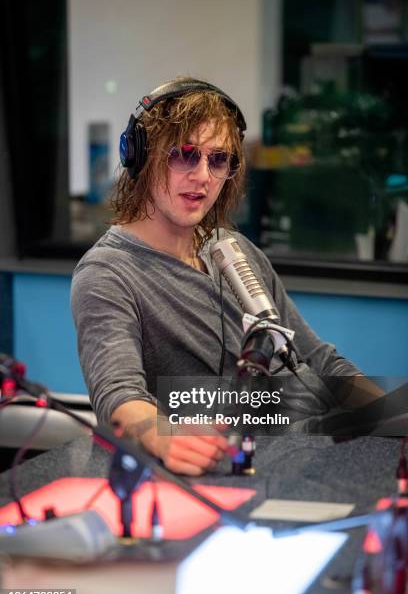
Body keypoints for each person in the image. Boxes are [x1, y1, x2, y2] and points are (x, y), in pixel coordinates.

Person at [71, 77, 383, 476]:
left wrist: (390, 415)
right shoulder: (107, 273)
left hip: (317, 450)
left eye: (218, 159)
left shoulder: (232, 249)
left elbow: (316, 358)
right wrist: (162, 435)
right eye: (185, 154)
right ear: (141, 157)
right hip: (245, 474)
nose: (203, 176)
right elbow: (118, 396)